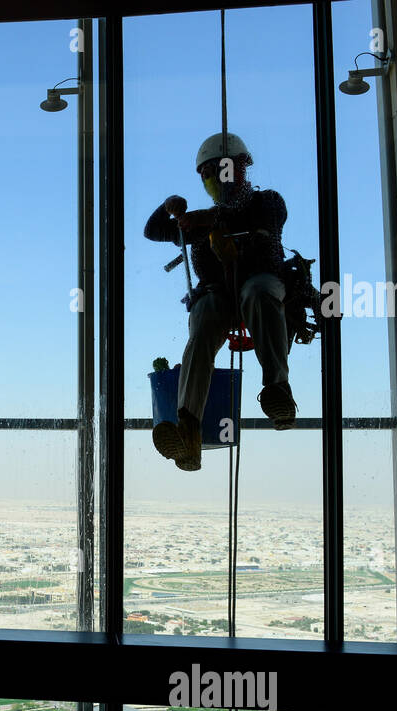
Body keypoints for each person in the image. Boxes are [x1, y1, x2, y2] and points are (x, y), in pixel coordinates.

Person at [143, 132, 297, 472]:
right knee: (204, 324)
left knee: (257, 292)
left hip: (258, 283)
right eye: (207, 175)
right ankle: (188, 429)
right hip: (219, 295)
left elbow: (262, 222)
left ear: (241, 168)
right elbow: (154, 230)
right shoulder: (198, 223)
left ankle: (278, 389)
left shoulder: (266, 202)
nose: (213, 180)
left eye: (218, 170)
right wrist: (169, 206)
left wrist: (210, 220)